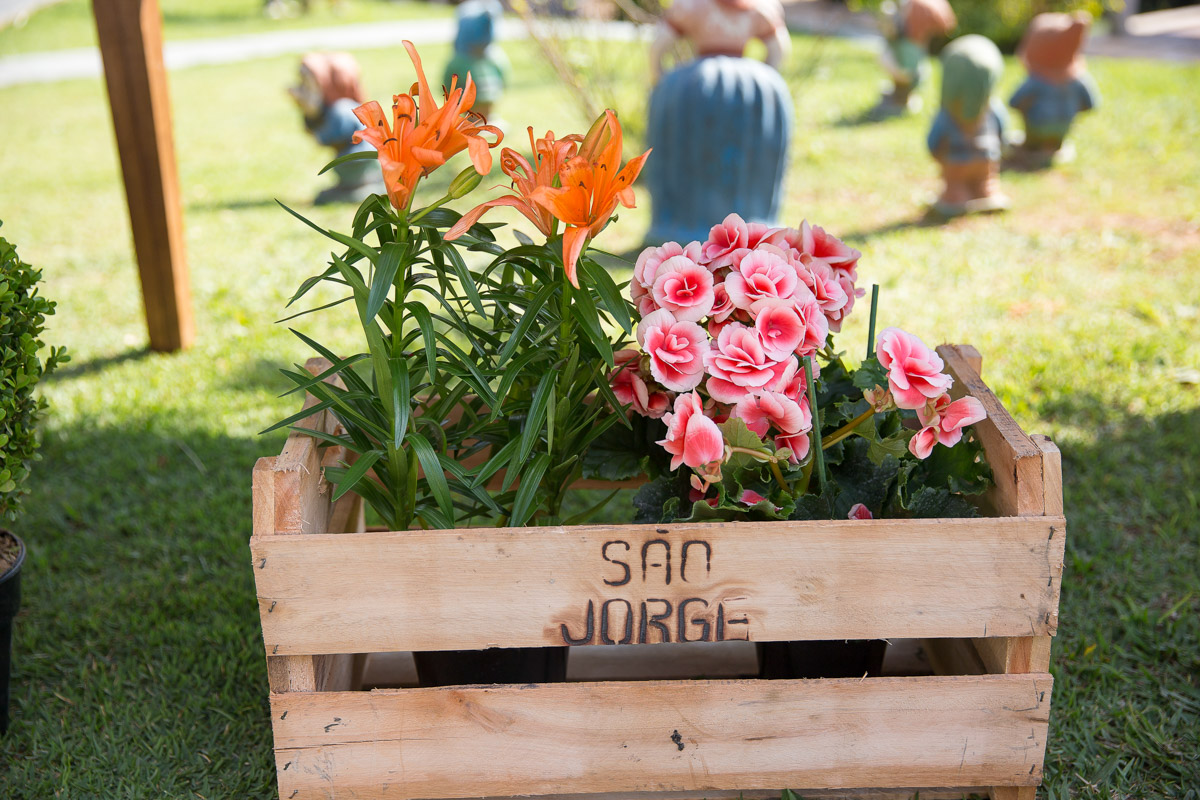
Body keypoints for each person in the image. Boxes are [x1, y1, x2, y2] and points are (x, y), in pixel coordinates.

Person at [644, 0, 794, 244]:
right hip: (749, 90)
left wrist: (662, 79)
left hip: (692, 90)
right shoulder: (760, 9)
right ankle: (752, 231)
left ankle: (681, 226)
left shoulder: (690, 7)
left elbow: (659, 47)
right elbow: (779, 49)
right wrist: (767, 77)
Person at [927, 35, 1009, 217]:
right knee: (986, 179)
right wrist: (1002, 148)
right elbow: (1003, 131)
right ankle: (987, 191)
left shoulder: (946, 114)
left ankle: (955, 197)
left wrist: (937, 154)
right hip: (987, 158)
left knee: (955, 183)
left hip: (956, 160)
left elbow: (933, 142)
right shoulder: (992, 109)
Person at [289, 52, 383, 205]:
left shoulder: (342, 111)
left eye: (309, 86)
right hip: (352, 168)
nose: (303, 90)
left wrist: (310, 112)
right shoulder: (340, 108)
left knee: (323, 199)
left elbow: (324, 139)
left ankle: (364, 187)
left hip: (359, 166)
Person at [1009, 12, 1099, 167]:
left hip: (1037, 127)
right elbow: (1090, 105)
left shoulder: (1034, 82)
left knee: (1033, 131)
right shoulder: (1078, 81)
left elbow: (1014, 102)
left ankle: (1034, 144)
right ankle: (1054, 144)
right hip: (1064, 126)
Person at [876, 0, 957, 115]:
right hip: (905, 62)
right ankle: (900, 98)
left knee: (905, 65)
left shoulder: (914, 7)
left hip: (904, 65)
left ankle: (901, 99)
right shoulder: (916, 8)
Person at [444, 0, 509, 126]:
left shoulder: (494, 58)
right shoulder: (460, 60)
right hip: (466, 104)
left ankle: (487, 118)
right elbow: (448, 79)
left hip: (489, 99)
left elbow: (504, 74)